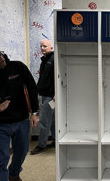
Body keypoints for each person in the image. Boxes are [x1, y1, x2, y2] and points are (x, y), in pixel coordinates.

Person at [0, 51, 39, 181]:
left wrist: (34, 112)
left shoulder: (18, 67)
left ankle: (14, 173)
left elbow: (32, 87)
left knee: (22, 152)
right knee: (2, 159)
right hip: (1, 124)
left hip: (21, 119)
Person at [30, 39, 55, 155]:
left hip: (50, 96)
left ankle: (41, 145)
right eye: (41, 46)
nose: (42, 48)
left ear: (51, 48)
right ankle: (55, 140)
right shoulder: (44, 61)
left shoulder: (54, 59)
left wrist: (56, 93)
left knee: (44, 121)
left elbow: (57, 77)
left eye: (45, 46)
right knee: (53, 120)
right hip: (44, 94)